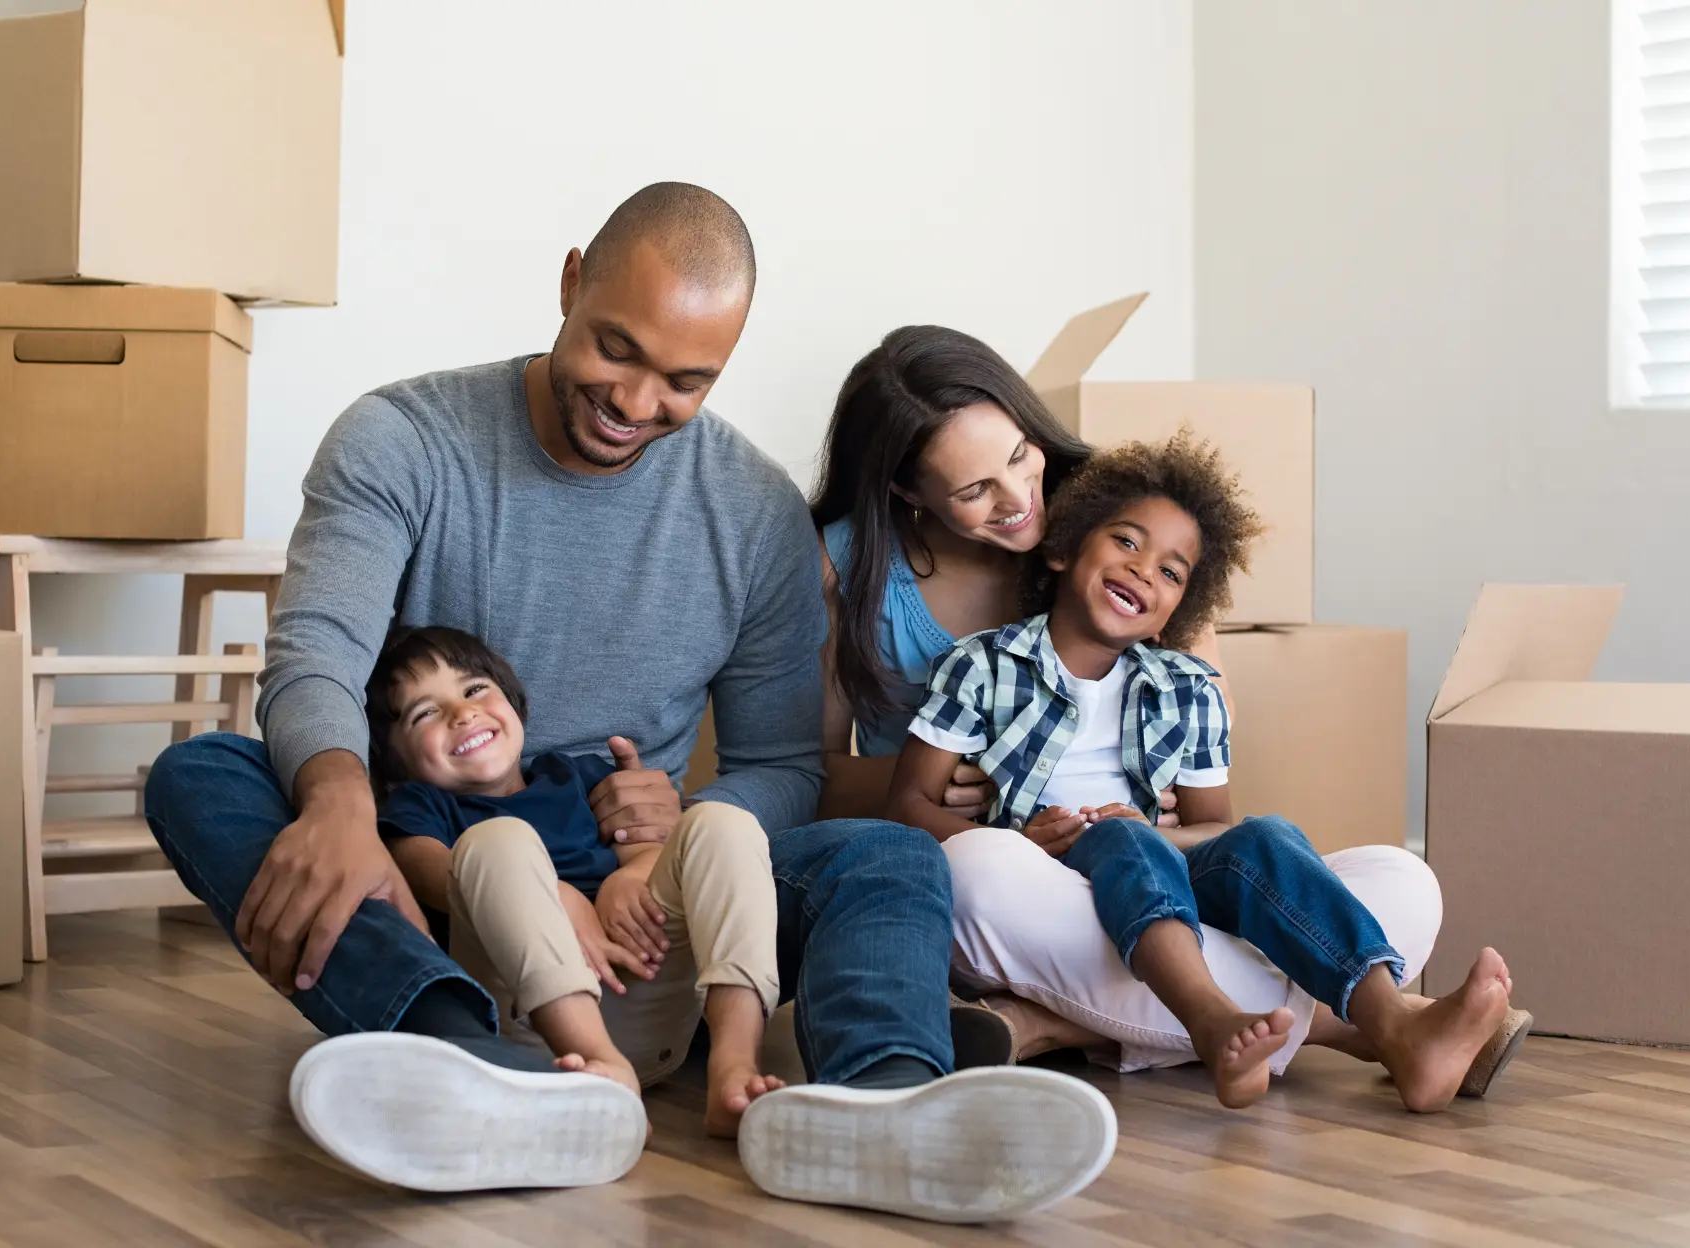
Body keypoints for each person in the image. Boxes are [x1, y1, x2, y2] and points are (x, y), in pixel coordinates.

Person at [144, 183, 1115, 1221]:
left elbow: (784, 763)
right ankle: (456, 1054)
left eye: (685, 381)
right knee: (203, 775)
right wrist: (341, 804)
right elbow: (317, 655)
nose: (637, 401)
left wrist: (674, 834)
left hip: (651, 912)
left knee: (887, 854)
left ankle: (881, 1101)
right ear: (570, 283)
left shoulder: (751, 514)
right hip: (435, 868)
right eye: (617, 349)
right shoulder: (400, 440)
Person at [809, 325, 1530, 1093]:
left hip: (1160, 871)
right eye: (974, 489)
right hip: (1012, 877)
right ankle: (1357, 1029)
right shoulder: (909, 612)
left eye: (1020, 456)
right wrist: (975, 796)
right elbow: (815, 778)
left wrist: (1168, 835)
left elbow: (1210, 809)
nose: (1023, 501)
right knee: (983, 870)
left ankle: (1052, 1024)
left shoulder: (1130, 527)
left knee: (1402, 881)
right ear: (908, 492)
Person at [360, 624, 786, 1135]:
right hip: (537, 1024)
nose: (463, 712)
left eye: (474, 689)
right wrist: (554, 895)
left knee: (723, 823)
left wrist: (629, 877)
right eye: (425, 712)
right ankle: (601, 1067)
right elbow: (427, 873)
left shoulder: (575, 775)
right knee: (498, 840)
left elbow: (649, 848)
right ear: (394, 763)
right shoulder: (419, 807)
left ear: (515, 706)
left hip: (649, 989)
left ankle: (734, 1067)